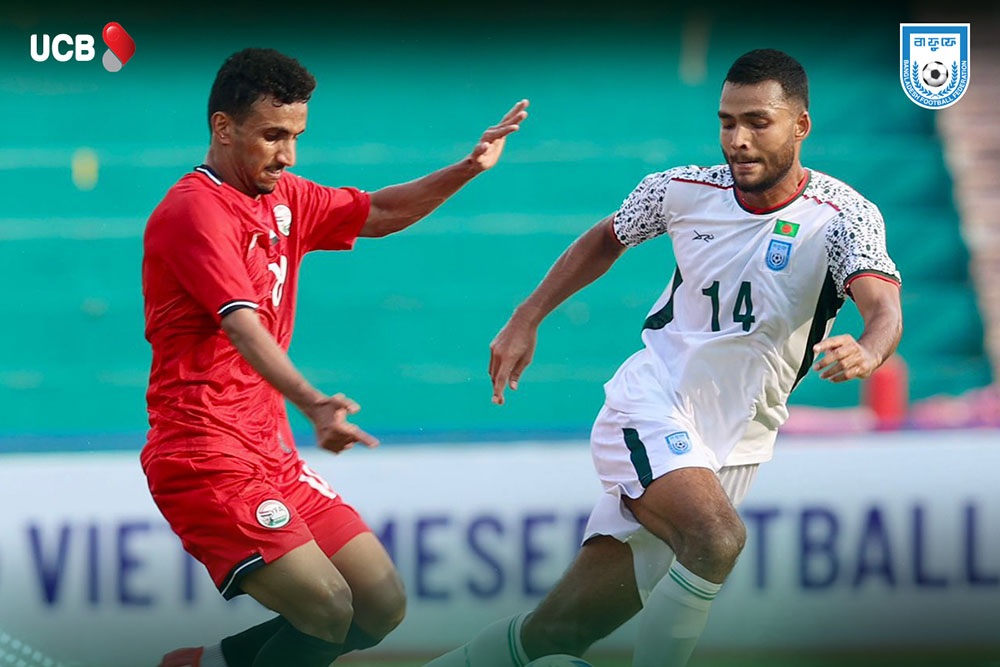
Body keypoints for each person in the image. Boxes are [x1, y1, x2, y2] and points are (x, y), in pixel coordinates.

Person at [428, 48, 902, 667]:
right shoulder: (680, 190)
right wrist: (527, 316)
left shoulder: (844, 219)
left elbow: (885, 308)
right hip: (653, 404)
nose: (738, 139)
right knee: (718, 538)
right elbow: (606, 236)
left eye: (758, 121)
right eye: (727, 121)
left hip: (737, 443)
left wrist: (868, 349)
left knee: (558, 633)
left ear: (801, 126)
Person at [141, 47, 528, 667]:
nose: (288, 154)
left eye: (295, 136)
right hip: (203, 452)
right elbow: (242, 325)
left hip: (270, 453)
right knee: (325, 607)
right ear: (222, 128)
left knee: (380, 601)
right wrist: (315, 403)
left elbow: (379, 212)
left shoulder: (285, 196)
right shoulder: (194, 211)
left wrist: (468, 168)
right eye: (272, 136)